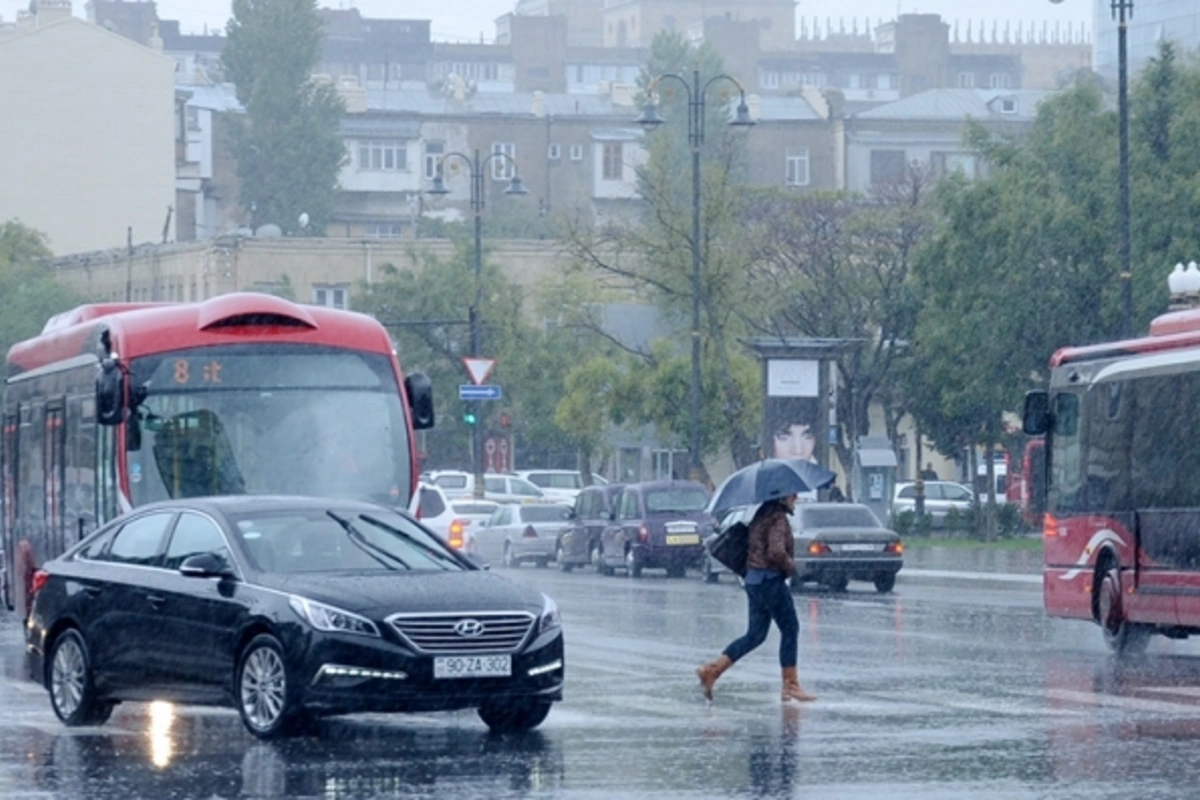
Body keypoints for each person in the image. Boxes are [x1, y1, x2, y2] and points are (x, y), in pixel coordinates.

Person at [695, 493, 816, 704]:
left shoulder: (762, 512)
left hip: (753, 580)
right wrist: (791, 568)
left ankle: (712, 671)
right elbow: (776, 551)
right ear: (782, 497)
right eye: (792, 495)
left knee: (755, 635)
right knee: (790, 628)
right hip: (770, 580)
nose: (795, 498)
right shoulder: (777, 517)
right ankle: (791, 685)